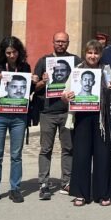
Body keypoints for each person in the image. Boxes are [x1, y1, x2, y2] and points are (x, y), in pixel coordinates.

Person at [0, 36, 37, 204]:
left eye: (14, 52)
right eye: (8, 52)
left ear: (19, 52)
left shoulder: (25, 67)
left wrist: (34, 82)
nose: (12, 55)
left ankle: (15, 188)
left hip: (18, 116)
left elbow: (28, 91)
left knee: (16, 154)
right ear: (3, 53)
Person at [63, 40, 111, 207]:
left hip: (101, 118)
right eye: (90, 52)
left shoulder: (106, 70)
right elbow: (64, 94)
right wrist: (67, 96)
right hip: (82, 118)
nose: (93, 56)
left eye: (96, 53)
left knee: (102, 156)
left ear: (100, 55)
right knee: (81, 156)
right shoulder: (77, 71)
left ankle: (103, 194)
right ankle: (81, 193)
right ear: (85, 53)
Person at [32, 31, 76, 200]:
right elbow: (33, 88)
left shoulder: (75, 61)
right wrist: (43, 81)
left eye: (63, 42)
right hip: (47, 112)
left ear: (68, 43)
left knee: (68, 148)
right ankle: (44, 183)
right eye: (57, 41)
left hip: (67, 111)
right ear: (52, 42)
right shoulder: (43, 61)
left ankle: (67, 181)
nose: (60, 44)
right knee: (45, 149)